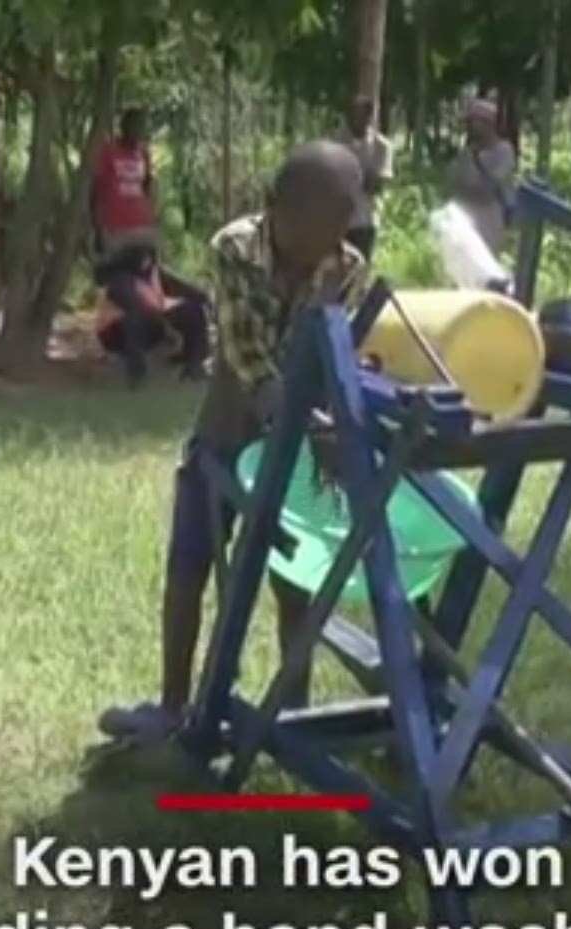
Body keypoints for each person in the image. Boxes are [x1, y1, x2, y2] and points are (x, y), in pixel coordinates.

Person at [99, 141, 369, 743]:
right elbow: (246, 353)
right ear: (278, 208)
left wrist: (323, 423)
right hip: (229, 423)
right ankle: (174, 706)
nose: (325, 242)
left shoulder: (347, 267)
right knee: (192, 560)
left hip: (301, 432)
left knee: (294, 577)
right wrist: (287, 407)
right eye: (314, 224)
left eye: (337, 225)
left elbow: (335, 354)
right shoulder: (234, 248)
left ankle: (293, 713)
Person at [94, 240, 210, 386]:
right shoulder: (121, 280)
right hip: (115, 332)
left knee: (193, 310)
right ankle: (136, 374)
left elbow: (188, 291)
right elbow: (135, 303)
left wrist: (204, 298)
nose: (148, 263)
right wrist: (166, 322)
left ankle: (194, 364)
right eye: (145, 259)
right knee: (134, 317)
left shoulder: (155, 275)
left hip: (149, 323)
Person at [445, 97, 516, 255]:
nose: (469, 127)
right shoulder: (467, 152)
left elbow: (492, 184)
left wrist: (477, 167)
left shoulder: (503, 150)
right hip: (465, 213)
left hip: (489, 215)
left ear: (487, 124)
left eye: (473, 122)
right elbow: (453, 181)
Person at [90, 108, 157, 259]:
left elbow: (147, 187)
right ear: (124, 128)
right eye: (136, 127)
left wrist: (151, 218)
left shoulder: (144, 154)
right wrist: (97, 229)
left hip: (141, 229)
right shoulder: (108, 151)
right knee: (117, 276)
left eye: (142, 128)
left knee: (148, 273)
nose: (139, 133)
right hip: (115, 230)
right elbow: (95, 191)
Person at [341, 95, 394, 263]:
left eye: (359, 114)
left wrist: (349, 178)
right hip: (337, 219)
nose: (353, 119)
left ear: (369, 117)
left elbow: (376, 184)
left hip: (364, 219)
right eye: (351, 114)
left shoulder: (381, 147)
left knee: (361, 266)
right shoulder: (336, 142)